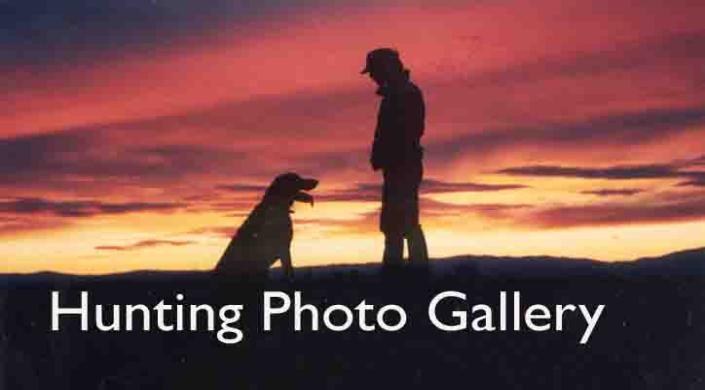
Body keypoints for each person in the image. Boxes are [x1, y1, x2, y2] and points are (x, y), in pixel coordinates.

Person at [361, 47, 429, 267]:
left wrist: (384, 155)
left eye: (374, 71)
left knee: (401, 225)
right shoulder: (399, 94)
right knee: (398, 225)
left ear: (386, 69)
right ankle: (404, 276)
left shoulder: (404, 94)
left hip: (402, 167)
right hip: (399, 167)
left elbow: (406, 133)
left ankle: (401, 278)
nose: (372, 77)